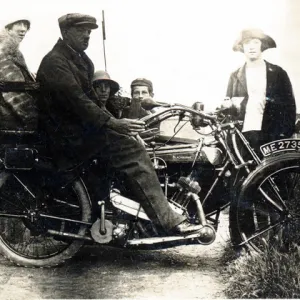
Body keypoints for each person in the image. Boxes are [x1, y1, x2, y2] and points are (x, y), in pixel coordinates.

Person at [36, 13, 201, 235]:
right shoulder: (55, 62)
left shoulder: (81, 60)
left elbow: (93, 102)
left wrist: (119, 125)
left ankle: (135, 215)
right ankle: (166, 220)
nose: (87, 35)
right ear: (65, 33)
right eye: (81, 31)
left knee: (130, 141)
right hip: (65, 137)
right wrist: (114, 124)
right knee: (131, 150)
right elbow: (79, 101)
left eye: (89, 31)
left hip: (78, 133)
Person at [224, 28, 296, 152]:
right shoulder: (235, 76)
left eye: (255, 42)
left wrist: (284, 134)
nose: (251, 47)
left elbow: (289, 106)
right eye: (247, 43)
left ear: (262, 45)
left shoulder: (278, 73)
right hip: (243, 135)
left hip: (271, 134)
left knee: (272, 171)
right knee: (245, 171)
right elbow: (228, 106)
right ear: (242, 47)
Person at [0, 19, 38, 131]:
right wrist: (33, 119)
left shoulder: (13, 52)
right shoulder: (4, 54)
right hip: (11, 121)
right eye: (18, 24)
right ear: (8, 29)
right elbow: (15, 95)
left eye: (25, 25)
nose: (23, 29)